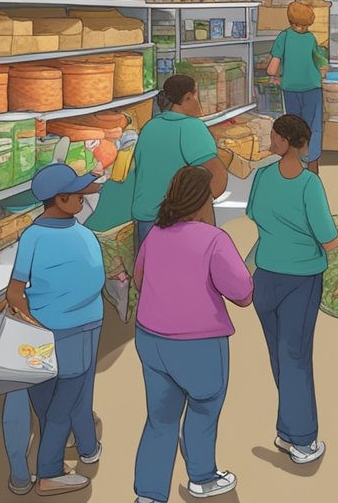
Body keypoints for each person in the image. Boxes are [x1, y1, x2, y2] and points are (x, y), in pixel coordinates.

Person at [132, 166, 253, 503]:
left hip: (151, 339)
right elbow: (243, 294)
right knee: (203, 408)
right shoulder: (215, 240)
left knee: (160, 418)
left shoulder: (155, 233)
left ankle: (150, 494)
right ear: (204, 202)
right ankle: (201, 477)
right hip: (199, 344)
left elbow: (140, 281)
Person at [5, 164, 107, 497]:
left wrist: (32, 323)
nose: (83, 199)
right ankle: (49, 471)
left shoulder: (34, 235)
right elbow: (15, 291)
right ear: (61, 199)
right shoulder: (73, 234)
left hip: (55, 328)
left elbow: (16, 290)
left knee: (53, 403)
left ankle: (87, 447)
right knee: (68, 402)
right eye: (77, 195)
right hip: (73, 329)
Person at [246, 114, 338, 465]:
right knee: (296, 357)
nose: (270, 140)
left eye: (273, 135)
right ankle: (302, 439)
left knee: (279, 355)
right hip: (300, 280)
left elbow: (255, 215)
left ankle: (287, 429)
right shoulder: (308, 184)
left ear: (284, 141)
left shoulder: (263, 176)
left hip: (265, 278)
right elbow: (328, 239)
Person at [131, 74, 228, 249]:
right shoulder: (192, 128)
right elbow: (218, 177)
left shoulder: (149, 127)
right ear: (187, 98)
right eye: (194, 96)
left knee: (150, 273)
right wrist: (200, 209)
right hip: (179, 220)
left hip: (146, 218)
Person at [266, 1, 328, 174]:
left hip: (290, 89)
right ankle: (313, 167)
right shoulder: (310, 38)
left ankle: (293, 168)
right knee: (313, 127)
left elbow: (272, 68)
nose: (301, 29)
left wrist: (277, 77)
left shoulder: (284, 36)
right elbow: (320, 61)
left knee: (294, 128)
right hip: (312, 89)